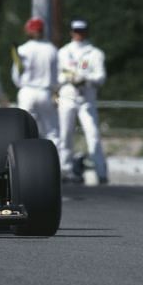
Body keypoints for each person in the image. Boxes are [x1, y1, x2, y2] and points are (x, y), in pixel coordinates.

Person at [57, 19, 108, 184]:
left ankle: (100, 172)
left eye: (81, 31)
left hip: (86, 99)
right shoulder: (63, 52)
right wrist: (69, 78)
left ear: (86, 32)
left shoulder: (94, 53)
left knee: (93, 134)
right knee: (65, 135)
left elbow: (100, 77)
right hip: (67, 97)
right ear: (71, 32)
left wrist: (85, 78)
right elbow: (55, 77)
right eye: (76, 31)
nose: (78, 34)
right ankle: (65, 170)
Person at [11, 17, 59, 146]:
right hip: (46, 92)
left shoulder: (22, 49)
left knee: (23, 130)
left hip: (27, 92)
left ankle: (26, 162)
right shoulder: (52, 49)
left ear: (28, 31)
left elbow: (16, 76)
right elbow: (56, 77)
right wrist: (55, 91)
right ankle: (56, 163)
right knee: (52, 132)